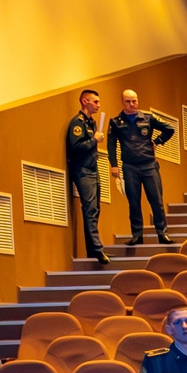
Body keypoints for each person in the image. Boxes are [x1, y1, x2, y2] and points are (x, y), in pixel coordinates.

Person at [107, 87, 176, 245]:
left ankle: (162, 233)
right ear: (122, 102)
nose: (132, 104)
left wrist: (157, 141)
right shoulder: (116, 122)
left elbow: (169, 129)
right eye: (128, 101)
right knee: (134, 202)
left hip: (149, 164)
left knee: (156, 201)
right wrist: (114, 165)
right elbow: (111, 145)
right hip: (129, 166)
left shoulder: (148, 118)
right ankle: (137, 235)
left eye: (134, 101)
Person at [65, 86, 111, 264]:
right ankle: (97, 250)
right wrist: (94, 140)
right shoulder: (77, 123)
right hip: (83, 170)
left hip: (93, 168)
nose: (98, 105)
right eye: (95, 102)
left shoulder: (91, 122)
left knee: (95, 209)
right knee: (90, 210)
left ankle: (93, 249)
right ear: (85, 101)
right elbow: (76, 147)